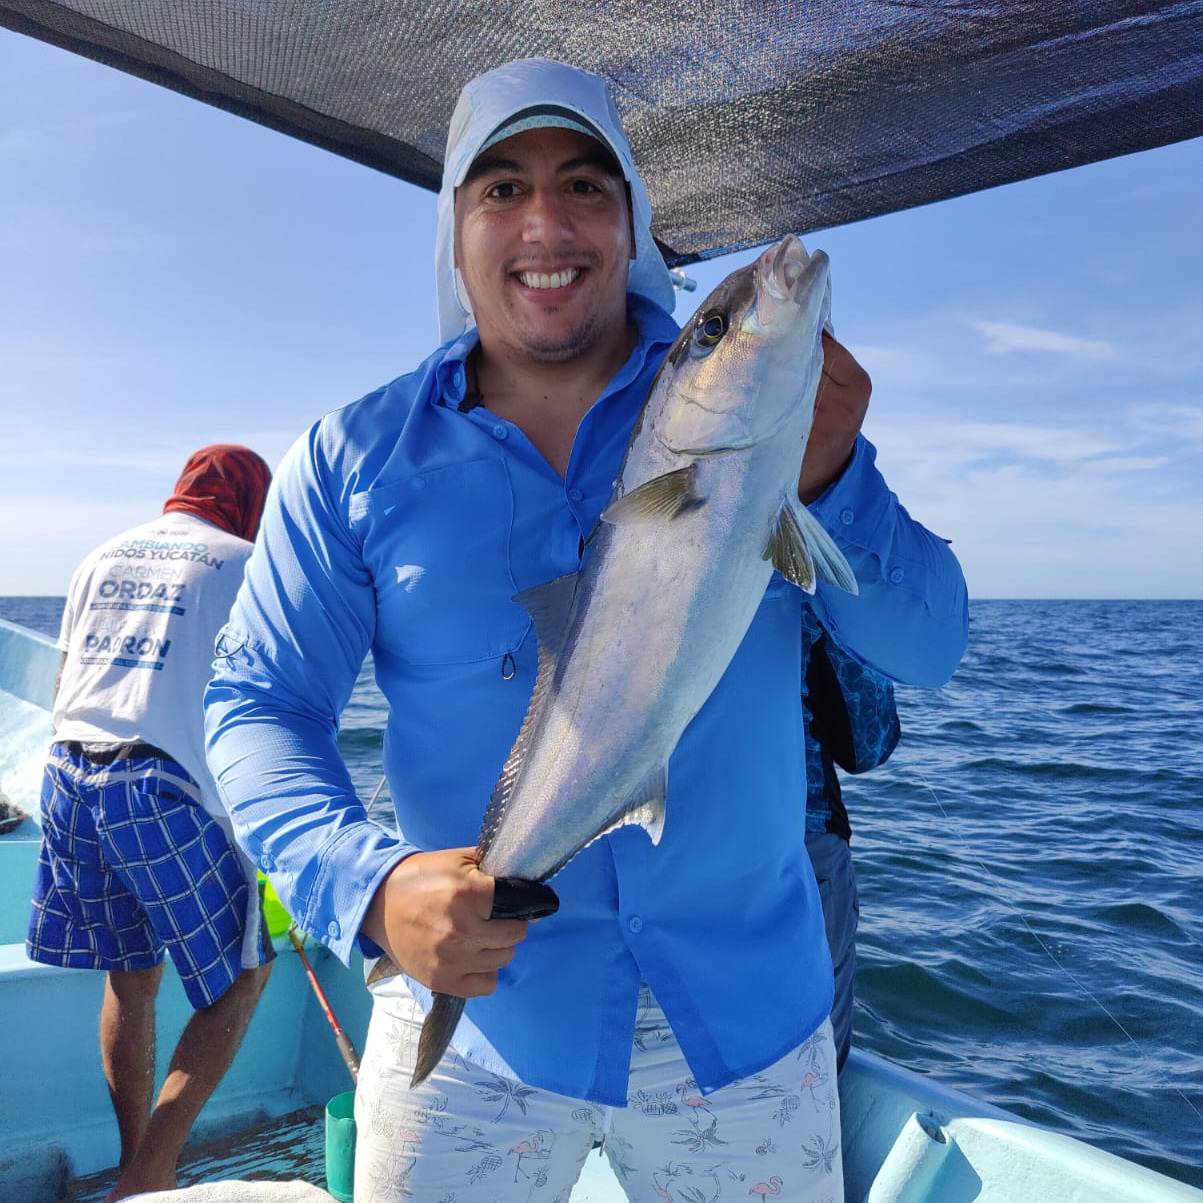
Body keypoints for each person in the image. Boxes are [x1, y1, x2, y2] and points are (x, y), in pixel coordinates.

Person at [205, 59, 968, 1203]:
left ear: (632, 222)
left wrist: (831, 474)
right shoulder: (352, 459)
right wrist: (369, 889)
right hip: (476, 1020)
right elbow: (259, 706)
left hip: (745, 1022)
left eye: (585, 186)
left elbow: (931, 647)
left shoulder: (761, 428)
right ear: (455, 231)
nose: (547, 225)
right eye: (502, 189)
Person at [27, 445, 276, 1203]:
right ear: (250, 502)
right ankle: (152, 1171)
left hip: (67, 777)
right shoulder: (245, 563)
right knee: (242, 975)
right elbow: (265, 701)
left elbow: (68, 683)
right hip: (158, 785)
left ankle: (133, 1162)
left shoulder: (99, 556)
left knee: (132, 978)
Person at [803, 607, 902, 1071]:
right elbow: (869, 744)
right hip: (801, 845)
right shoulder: (813, 583)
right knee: (811, 1067)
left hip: (642, 843)